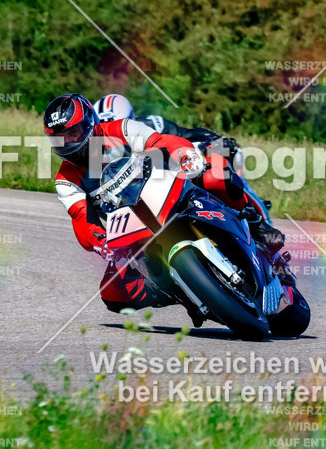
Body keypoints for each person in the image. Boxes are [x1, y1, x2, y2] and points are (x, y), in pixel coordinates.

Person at [44, 93, 280, 318]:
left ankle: (256, 225)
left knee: (216, 173)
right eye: (61, 137)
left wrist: (185, 155)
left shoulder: (122, 129)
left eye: (73, 132)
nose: (69, 141)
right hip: (133, 231)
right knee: (111, 292)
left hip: (172, 193)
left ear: (89, 123)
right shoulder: (65, 180)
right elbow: (81, 218)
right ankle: (183, 292)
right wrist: (101, 241)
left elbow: (161, 141)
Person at [92, 93, 280, 244]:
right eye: (103, 128)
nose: (110, 134)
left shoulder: (145, 126)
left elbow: (183, 134)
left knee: (218, 170)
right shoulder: (93, 158)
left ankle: (258, 225)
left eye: (113, 124)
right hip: (142, 208)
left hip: (176, 181)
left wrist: (213, 140)